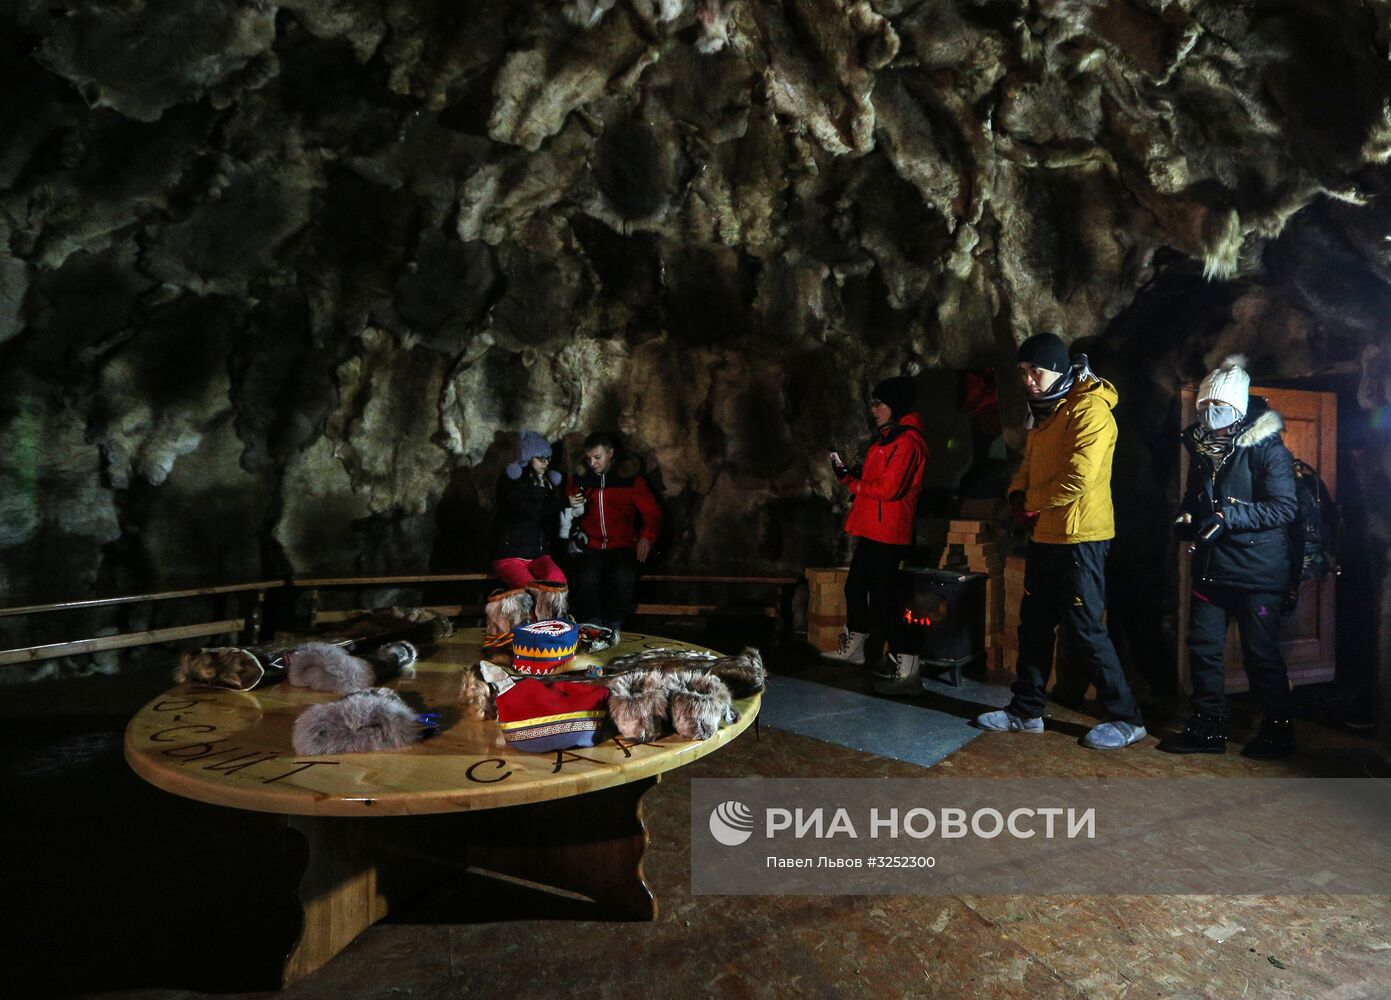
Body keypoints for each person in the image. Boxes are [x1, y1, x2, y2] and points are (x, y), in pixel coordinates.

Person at [973, 333, 1147, 749]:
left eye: (1037, 371)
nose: (1029, 380)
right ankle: (1026, 710)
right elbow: (1029, 464)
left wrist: (1029, 503)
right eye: (1023, 372)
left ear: (1059, 370)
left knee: (1086, 628)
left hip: (1080, 536)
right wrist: (1016, 494)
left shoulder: (1091, 411)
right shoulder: (1047, 414)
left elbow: (1079, 477)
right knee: (1034, 623)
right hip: (1048, 533)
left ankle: (1126, 718)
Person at [1160, 355, 1299, 759]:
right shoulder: (1202, 448)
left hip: (1259, 572)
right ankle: (1207, 727)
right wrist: (1187, 518)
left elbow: (1283, 507)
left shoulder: (1268, 451)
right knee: (1203, 647)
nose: (1209, 413)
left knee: (1260, 655)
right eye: (1203, 406)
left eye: (1218, 406)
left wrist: (1228, 517)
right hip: (1212, 568)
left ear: (1238, 408)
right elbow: (1193, 498)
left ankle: (1278, 733)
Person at [821, 375, 930, 695]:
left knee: (884, 600)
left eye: (879, 403)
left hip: (889, 532)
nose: (874, 410)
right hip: (873, 528)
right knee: (856, 587)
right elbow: (876, 481)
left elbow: (889, 489)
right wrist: (850, 475)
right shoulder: (887, 438)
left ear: (895, 406)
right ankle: (855, 648)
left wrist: (852, 484)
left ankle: (908, 664)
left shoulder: (907, 441)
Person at [568, 432, 663, 642]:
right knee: (586, 577)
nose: (592, 463)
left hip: (622, 542)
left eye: (597, 457)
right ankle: (592, 628)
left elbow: (652, 513)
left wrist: (646, 537)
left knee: (621, 576)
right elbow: (566, 508)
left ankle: (614, 625)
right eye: (589, 458)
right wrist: (571, 507)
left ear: (610, 454)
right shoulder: (581, 480)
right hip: (590, 542)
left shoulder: (630, 481)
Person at [491, 431, 584, 590]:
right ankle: (536, 616)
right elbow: (527, 510)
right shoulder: (510, 483)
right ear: (527, 460)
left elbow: (551, 519)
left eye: (547, 459)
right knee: (531, 590)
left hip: (538, 553)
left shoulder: (550, 484)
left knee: (557, 583)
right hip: (510, 554)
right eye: (540, 459)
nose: (545, 463)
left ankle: (554, 616)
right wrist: (560, 502)